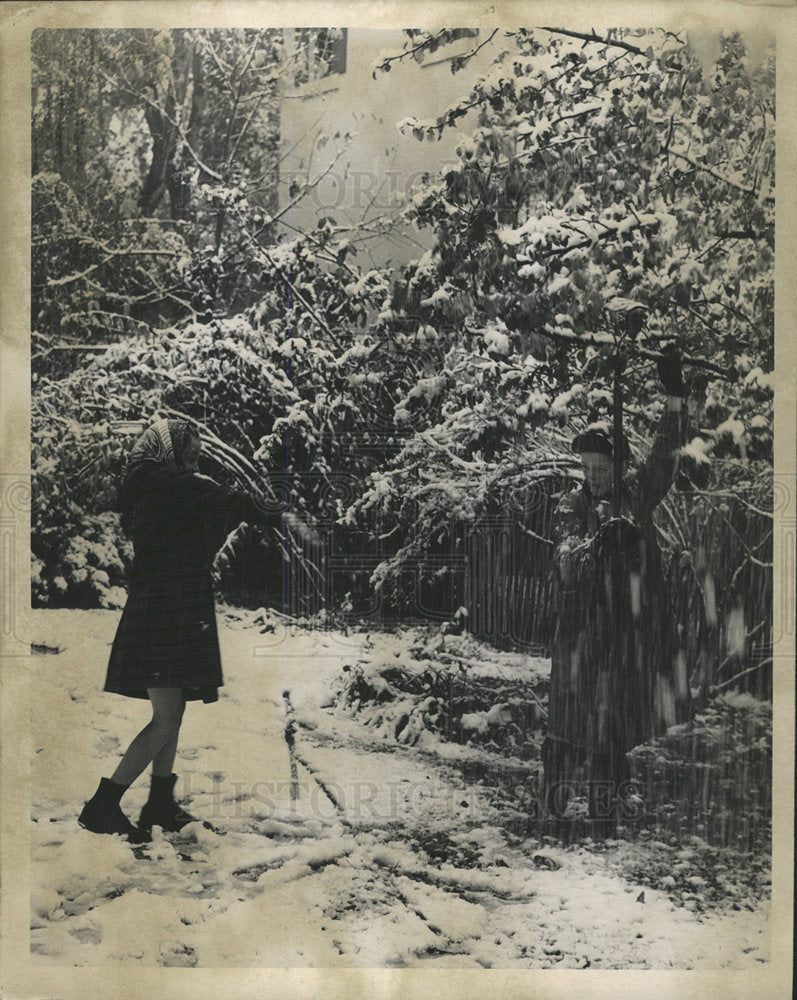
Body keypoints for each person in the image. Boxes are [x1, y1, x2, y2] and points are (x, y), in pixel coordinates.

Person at [78, 418, 312, 841]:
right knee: (167, 716)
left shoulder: (148, 485)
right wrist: (270, 509)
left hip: (165, 606)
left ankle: (159, 803)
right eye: (190, 453)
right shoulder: (167, 482)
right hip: (167, 610)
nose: (194, 461)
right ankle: (103, 805)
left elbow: (198, 517)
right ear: (170, 452)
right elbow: (223, 499)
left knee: (172, 710)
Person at [541, 350, 692, 835]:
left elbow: (665, 461)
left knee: (610, 724)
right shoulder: (571, 505)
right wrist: (594, 546)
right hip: (579, 632)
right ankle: (554, 802)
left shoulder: (635, 497)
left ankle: (606, 809)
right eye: (586, 467)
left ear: (617, 467)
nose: (591, 477)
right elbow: (565, 561)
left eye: (601, 468)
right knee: (566, 721)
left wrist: (674, 399)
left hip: (621, 633)